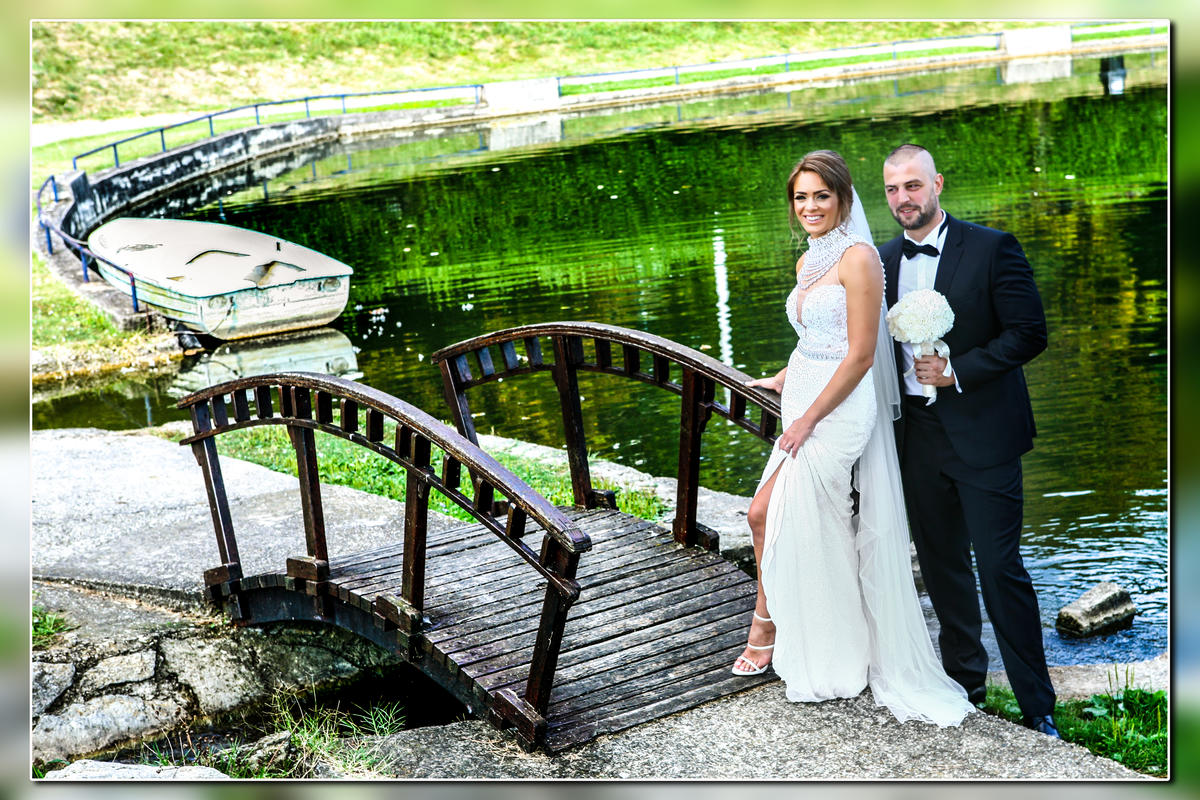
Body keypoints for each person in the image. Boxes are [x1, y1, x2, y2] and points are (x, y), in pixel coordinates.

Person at [734, 149, 974, 727]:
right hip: (804, 395)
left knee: (765, 513)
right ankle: (823, 637)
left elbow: (862, 353)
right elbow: (817, 338)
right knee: (806, 525)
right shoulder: (808, 260)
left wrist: (808, 419)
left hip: (836, 410)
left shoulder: (859, 258)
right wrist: (783, 377)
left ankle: (767, 627)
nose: (810, 206)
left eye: (821, 195)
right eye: (801, 197)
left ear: (843, 199)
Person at [878, 143, 1058, 737]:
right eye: (892, 189)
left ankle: (1038, 707)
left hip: (984, 433)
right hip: (915, 439)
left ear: (937, 184)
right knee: (942, 568)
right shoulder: (881, 262)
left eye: (913, 185)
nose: (903, 198)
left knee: (1001, 569)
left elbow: (1029, 333)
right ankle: (966, 689)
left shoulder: (992, 247)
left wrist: (958, 371)